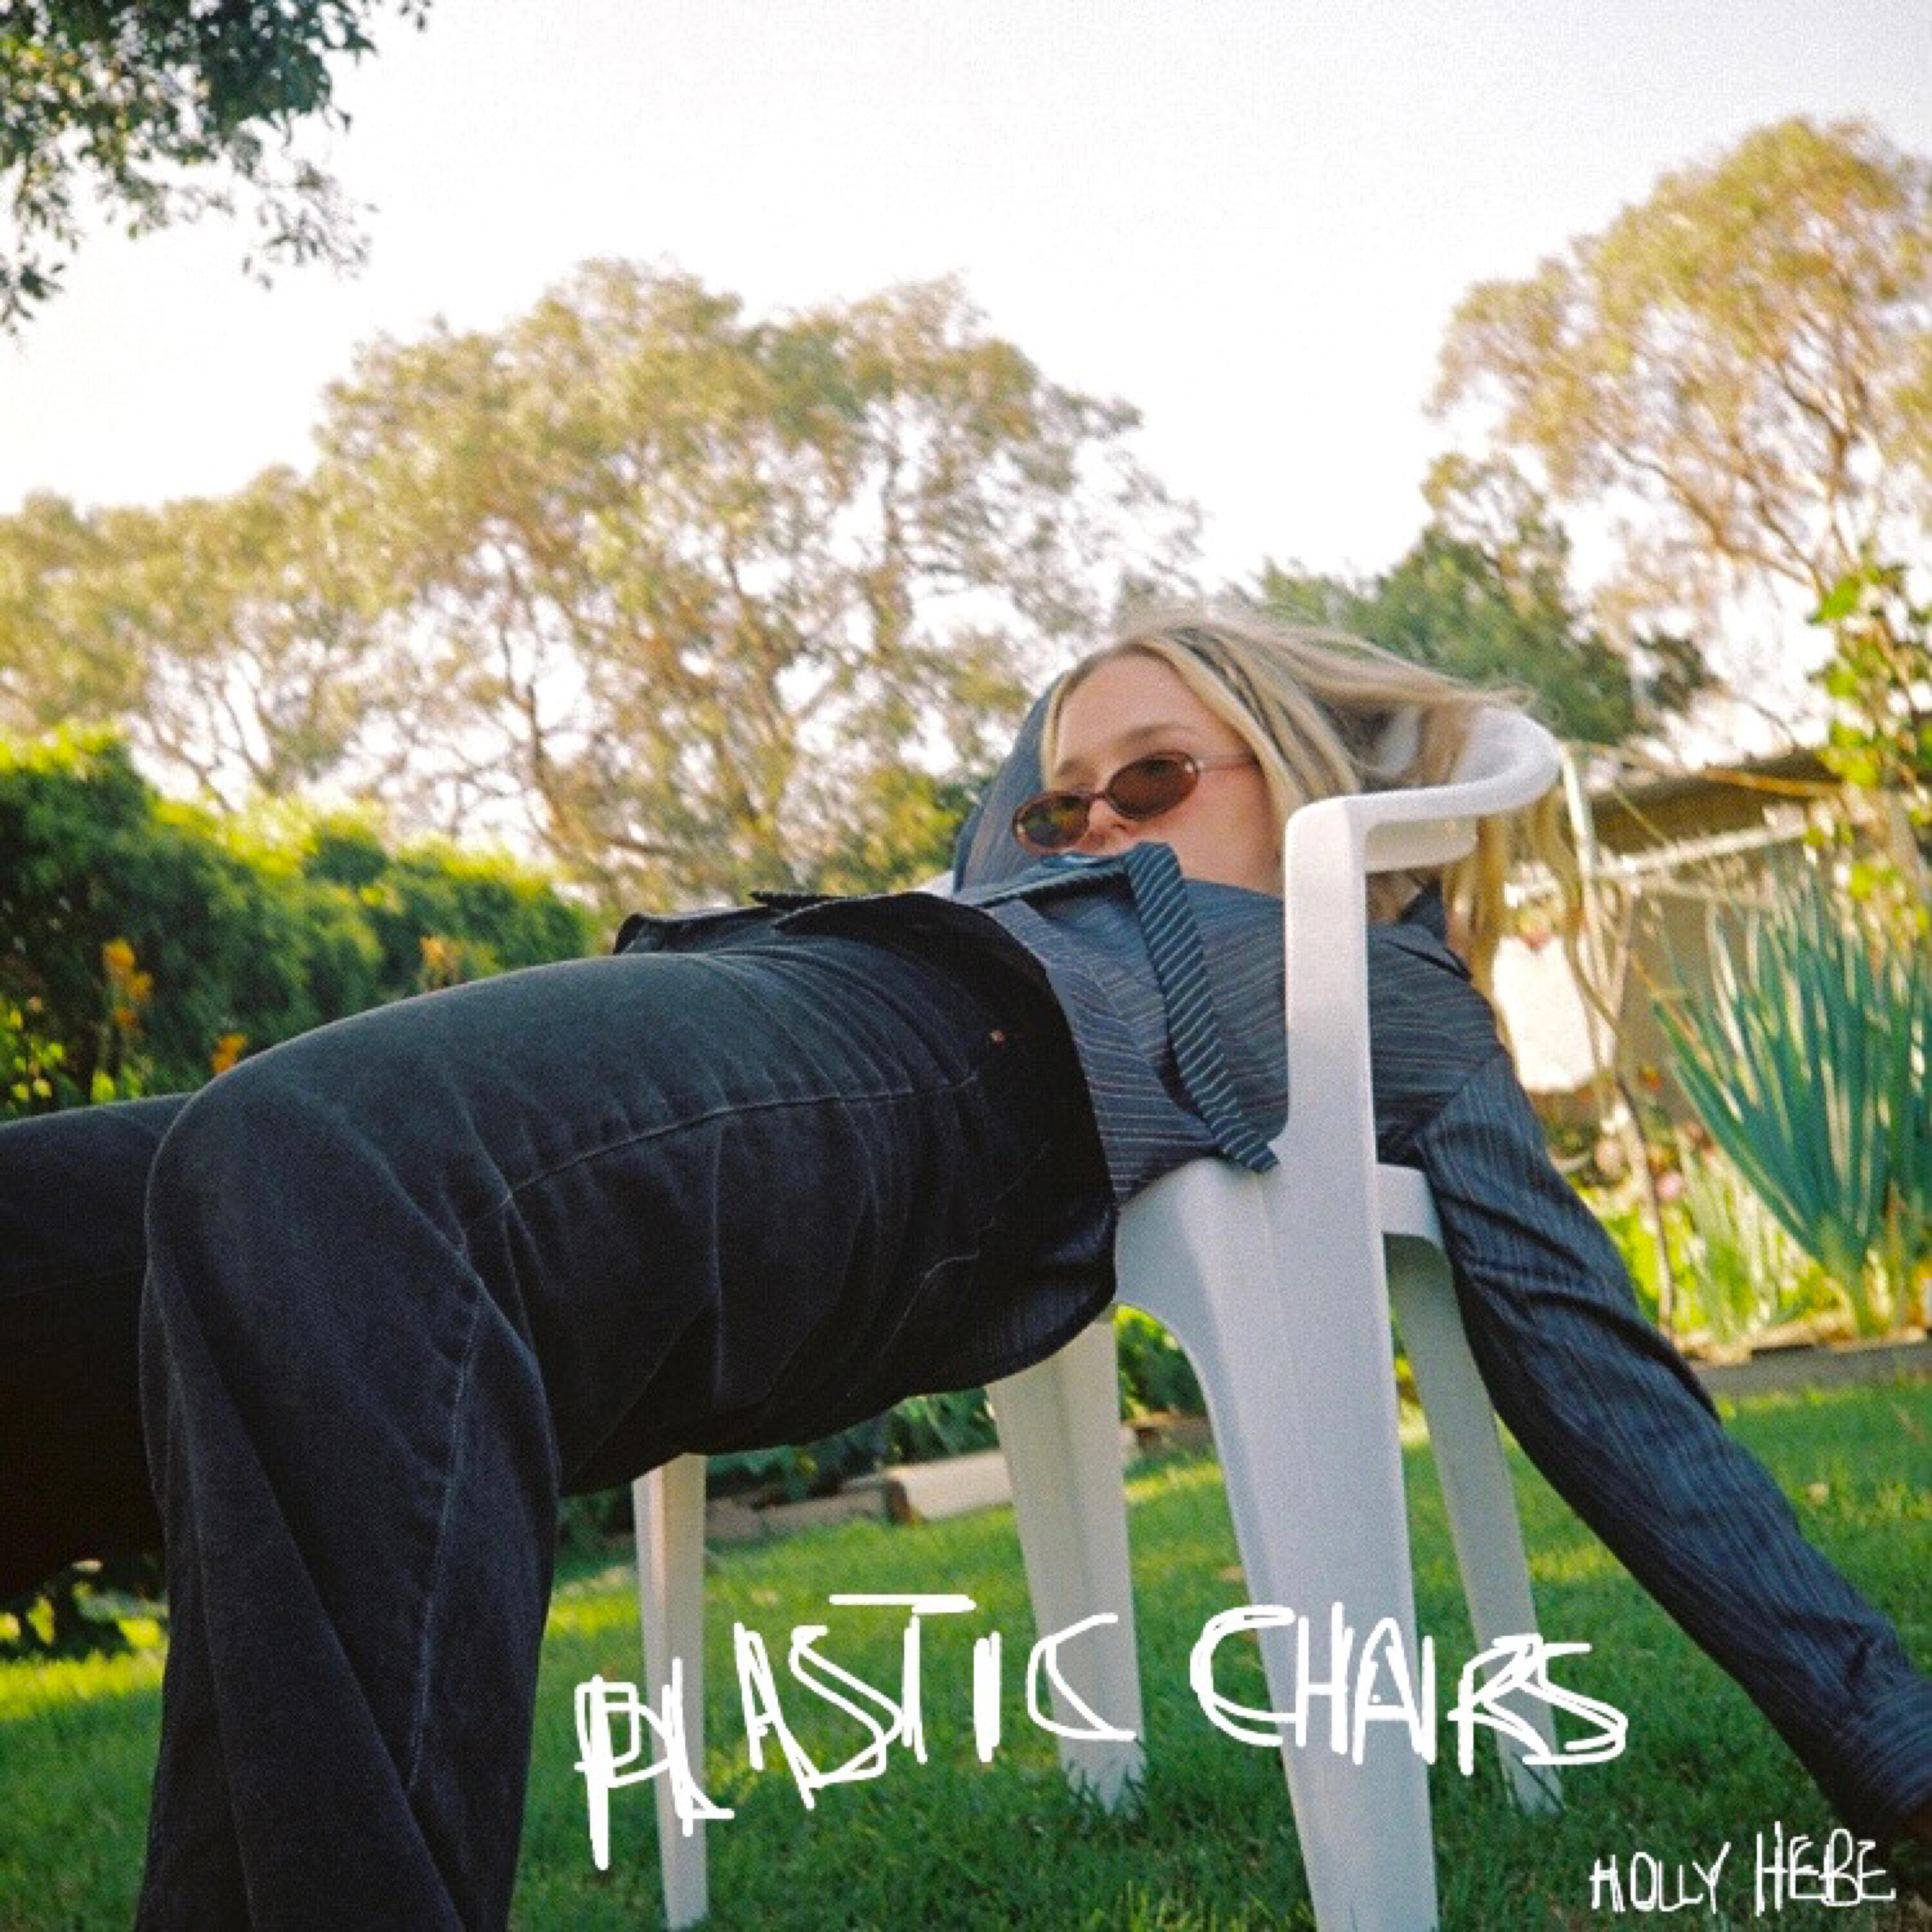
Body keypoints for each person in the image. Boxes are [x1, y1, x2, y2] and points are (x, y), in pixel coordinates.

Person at [2, 605, 1927, 1929]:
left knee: (313, 1167)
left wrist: (1895, 1754)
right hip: (776, 1003)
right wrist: (1074, 782)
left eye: (1154, 780)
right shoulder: (1029, 870)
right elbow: (1041, 788)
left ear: (1299, 783)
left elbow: (1597, 1364)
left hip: (928, 1095)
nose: (1088, 822)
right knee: (74, 1224)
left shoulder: (1383, 992)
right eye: (1057, 801)